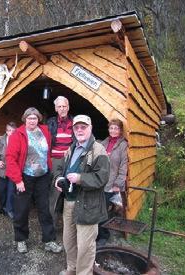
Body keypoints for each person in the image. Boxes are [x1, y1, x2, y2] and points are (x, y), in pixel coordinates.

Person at [54, 115, 110, 275]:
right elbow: (59, 169)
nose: (79, 130)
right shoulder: (71, 148)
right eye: (76, 127)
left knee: (85, 246)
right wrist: (58, 179)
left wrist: (80, 178)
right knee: (69, 241)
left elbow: (103, 177)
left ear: (90, 128)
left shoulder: (99, 150)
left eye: (83, 127)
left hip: (88, 205)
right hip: (69, 202)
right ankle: (71, 269)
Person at [6, 107, 62, 254]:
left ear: (39, 119)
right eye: (29, 118)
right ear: (25, 119)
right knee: (22, 210)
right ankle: (21, 240)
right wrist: (18, 180)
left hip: (43, 176)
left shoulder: (44, 131)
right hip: (25, 177)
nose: (32, 120)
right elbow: (10, 158)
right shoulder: (18, 134)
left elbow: (48, 151)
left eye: (35, 118)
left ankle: (49, 241)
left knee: (45, 209)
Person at [96, 118, 128, 246]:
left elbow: (123, 166)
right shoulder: (103, 143)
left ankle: (104, 235)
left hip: (111, 183)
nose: (113, 130)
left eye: (116, 128)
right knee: (97, 208)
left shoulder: (123, 145)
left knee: (105, 211)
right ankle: (96, 234)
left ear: (120, 131)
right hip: (100, 182)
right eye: (111, 128)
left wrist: (118, 184)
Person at [47, 96, 74, 228]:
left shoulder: (75, 122)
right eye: (59, 107)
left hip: (71, 160)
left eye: (64, 106)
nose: (62, 109)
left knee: (71, 190)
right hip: (55, 161)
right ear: (56, 108)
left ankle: (70, 225)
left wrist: (72, 149)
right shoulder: (50, 122)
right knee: (54, 192)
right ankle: (51, 225)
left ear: (68, 107)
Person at [0, 122, 17, 219]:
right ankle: (4, 207)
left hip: (13, 170)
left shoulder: (19, 140)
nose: (11, 133)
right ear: (6, 131)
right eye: (9, 130)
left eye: (13, 131)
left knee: (11, 190)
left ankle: (9, 209)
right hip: (2, 170)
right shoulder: (1, 140)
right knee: (2, 190)